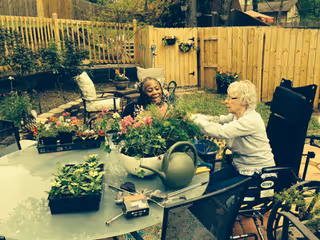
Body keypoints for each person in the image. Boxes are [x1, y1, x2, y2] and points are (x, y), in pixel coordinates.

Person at [192, 80, 275, 192]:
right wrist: (192, 116)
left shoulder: (250, 120)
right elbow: (217, 120)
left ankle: (218, 209)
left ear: (244, 101)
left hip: (256, 174)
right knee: (204, 183)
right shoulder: (236, 116)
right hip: (239, 167)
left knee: (210, 191)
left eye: (231, 98)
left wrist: (192, 121)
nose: (226, 101)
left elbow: (221, 131)